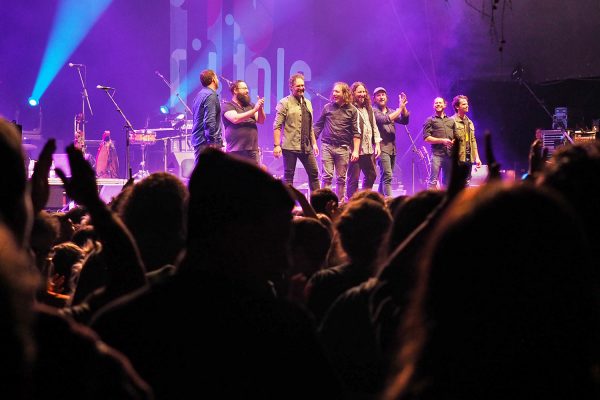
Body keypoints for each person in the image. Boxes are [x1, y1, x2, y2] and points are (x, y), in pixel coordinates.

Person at [273, 73, 320, 192]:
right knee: (289, 176)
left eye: (302, 85)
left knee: (314, 174)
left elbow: (310, 126)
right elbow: (277, 125)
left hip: (306, 146)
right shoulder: (284, 103)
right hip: (290, 146)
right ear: (291, 87)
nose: (301, 88)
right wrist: (277, 145)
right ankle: (288, 205)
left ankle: (317, 204)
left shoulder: (308, 103)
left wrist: (314, 143)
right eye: (298, 86)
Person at [314, 82, 361, 201]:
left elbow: (356, 132)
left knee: (341, 178)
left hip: (343, 148)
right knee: (327, 176)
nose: (333, 93)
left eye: (337, 91)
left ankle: (338, 204)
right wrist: (313, 143)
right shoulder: (327, 107)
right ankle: (324, 203)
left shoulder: (352, 110)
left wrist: (355, 151)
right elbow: (318, 126)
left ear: (344, 94)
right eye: (333, 91)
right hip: (327, 146)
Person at [346, 82, 382, 199]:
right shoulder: (350, 108)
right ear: (353, 93)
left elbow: (374, 127)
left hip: (368, 150)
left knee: (371, 175)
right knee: (353, 179)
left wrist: (377, 144)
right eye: (359, 92)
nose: (362, 94)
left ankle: (363, 199)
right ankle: (351, 203)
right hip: (355, 150)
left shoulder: (369, 108)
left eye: (363, 92)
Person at [372, 87, 410, 197]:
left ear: (386, 97)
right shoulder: (373, 111)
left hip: (392, 148)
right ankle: (390, 203)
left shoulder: (391, 111)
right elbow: (385, 119)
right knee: (388, 176)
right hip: (382, 148)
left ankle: (378, 201)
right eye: (378, 95)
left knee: (385, 176)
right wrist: (400, 108)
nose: (381, 97)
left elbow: (405, 121)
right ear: (374, 99)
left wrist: (403, 107)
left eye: (383, 94)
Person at [222, 80, 265, 164]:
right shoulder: (228, 106)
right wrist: (255, 110)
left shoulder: (250, 105)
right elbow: (235, 119)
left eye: (247, 88)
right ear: (235, 90)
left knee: (254, 176)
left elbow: (261, 120)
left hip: (252, 150)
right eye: (244, 88)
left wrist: (260, 109)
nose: (247, 91)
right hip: (235, 150)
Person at [190, 69, 223, 164]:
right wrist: (212, 141)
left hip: (199, 140)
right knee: (209, 175)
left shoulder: (199, 95)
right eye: (216, 77)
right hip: (207, 142)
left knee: (202, 173)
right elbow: (209, 121)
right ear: (213, 79)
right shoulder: (211, 96)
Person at [423, 97, 456, 189]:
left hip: (449, 155)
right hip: (437, 155)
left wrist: (453, 141)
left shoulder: (451, 120)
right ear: (433, 106)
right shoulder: (430, 120)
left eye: (440, 103)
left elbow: (456, 135)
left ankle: (446, 202)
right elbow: (426, 138)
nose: (438, 104)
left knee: (448, 182)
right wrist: (442, 140)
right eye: (436, 103)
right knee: (433, 181)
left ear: (444, 105)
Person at [451, 95, 481, 186]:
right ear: (457, 106)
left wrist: (477, 157)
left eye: (467, 104)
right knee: (456, 183)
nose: (467, 106)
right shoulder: (451, 121)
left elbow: (473, 140)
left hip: (468, 158)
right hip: (458, 158)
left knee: (467, 182)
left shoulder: (470, 122)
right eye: (464, 104)